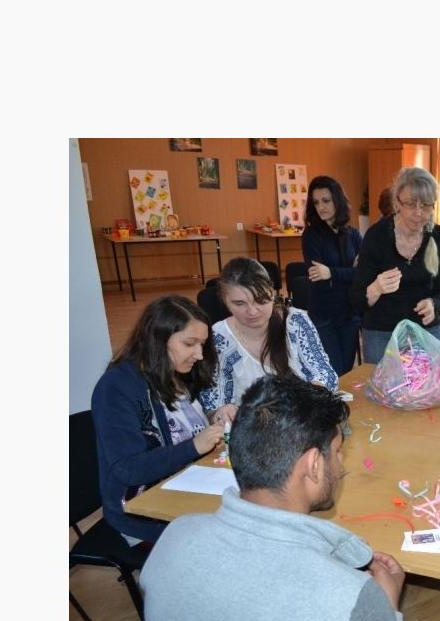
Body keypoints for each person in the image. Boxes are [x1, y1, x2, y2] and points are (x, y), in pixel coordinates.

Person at [140, 376, 408, 621]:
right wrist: (386, 609)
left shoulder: (174, 537)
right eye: (338, 452)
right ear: (314, 466)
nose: (341, 465)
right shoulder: (352, 597)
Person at [90, 295, 226, 545]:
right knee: (233, 537)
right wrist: (194, 446)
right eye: (189, 344)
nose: (198, 354)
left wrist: (214, 417)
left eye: (202, 344)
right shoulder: (117, 387)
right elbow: (127, 469)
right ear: (158, 339)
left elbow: (183, 424)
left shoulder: (176, 372)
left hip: (185, 487)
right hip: (141, 511)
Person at [200, 258, 336, 426]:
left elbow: (324, 372)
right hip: (251, 430)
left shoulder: (295, 321)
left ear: (272, 293)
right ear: (224, 300)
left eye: (261, 300)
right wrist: (221, 413)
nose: (252, 311)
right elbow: (212, 405)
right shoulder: (218, 338)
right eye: (239, 303)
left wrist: (316, 389)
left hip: (302, 422)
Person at [350, 166, 440, 364]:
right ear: (397, 202)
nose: (418, 213)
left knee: (427, 384)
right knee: (382, 384)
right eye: (411, 204)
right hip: (382, 334)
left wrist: (433, 304)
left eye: (426, 205)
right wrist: (376, 288)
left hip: (425, 332)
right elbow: (356, 299)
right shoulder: (376, 236)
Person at [301, 175, 363, 375]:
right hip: (324, 315)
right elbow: (318, 276)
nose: (321, 207)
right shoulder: (311, 235)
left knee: (347, 370)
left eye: (326, 201)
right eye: (316, 202)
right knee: (334, 371)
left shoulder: (353, 234)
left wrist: (331, 273)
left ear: (337, 200)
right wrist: (349, 272)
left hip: (350, 313)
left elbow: (364, 273)